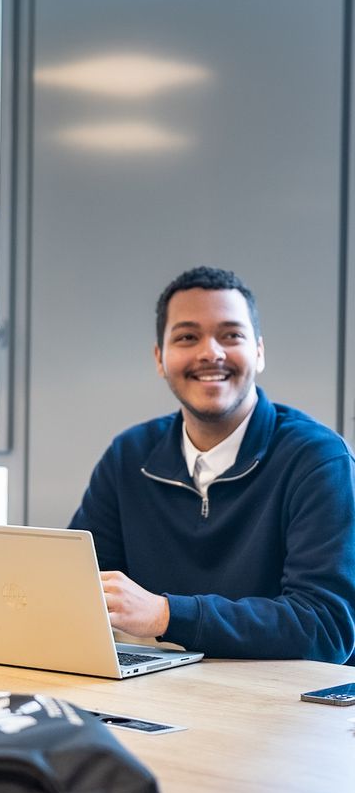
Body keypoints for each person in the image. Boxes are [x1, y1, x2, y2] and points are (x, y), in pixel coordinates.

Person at [70, 266, 355, 663]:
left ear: (258, 351)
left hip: (283, 708)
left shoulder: (317, 459)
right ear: (159, 357)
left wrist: (166, 615)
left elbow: (325, 628)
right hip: (163, 691)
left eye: (230, 335)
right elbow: (74, 591)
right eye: (188, 337)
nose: (210, 352)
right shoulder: (128, 455)